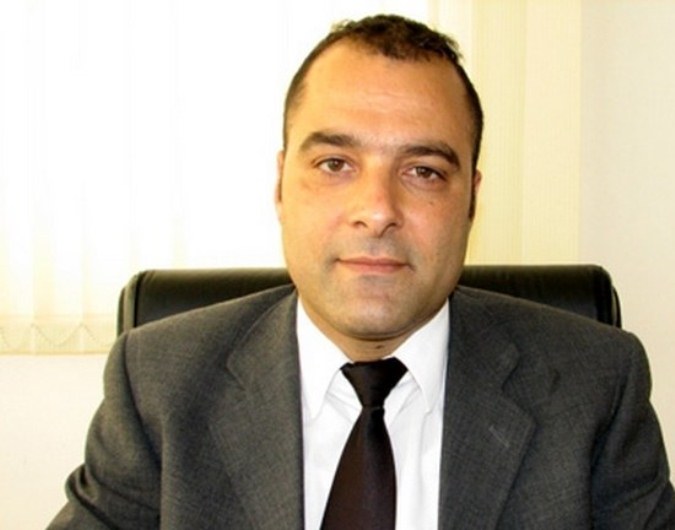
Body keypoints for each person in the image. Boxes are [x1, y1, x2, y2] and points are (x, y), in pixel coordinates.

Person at [49, 14, 674, 529]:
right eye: (334, 164)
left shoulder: (594, 388)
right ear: (280, 185)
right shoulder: (160, 385)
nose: (377, 210)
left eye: (423, 171)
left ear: (471, 202)